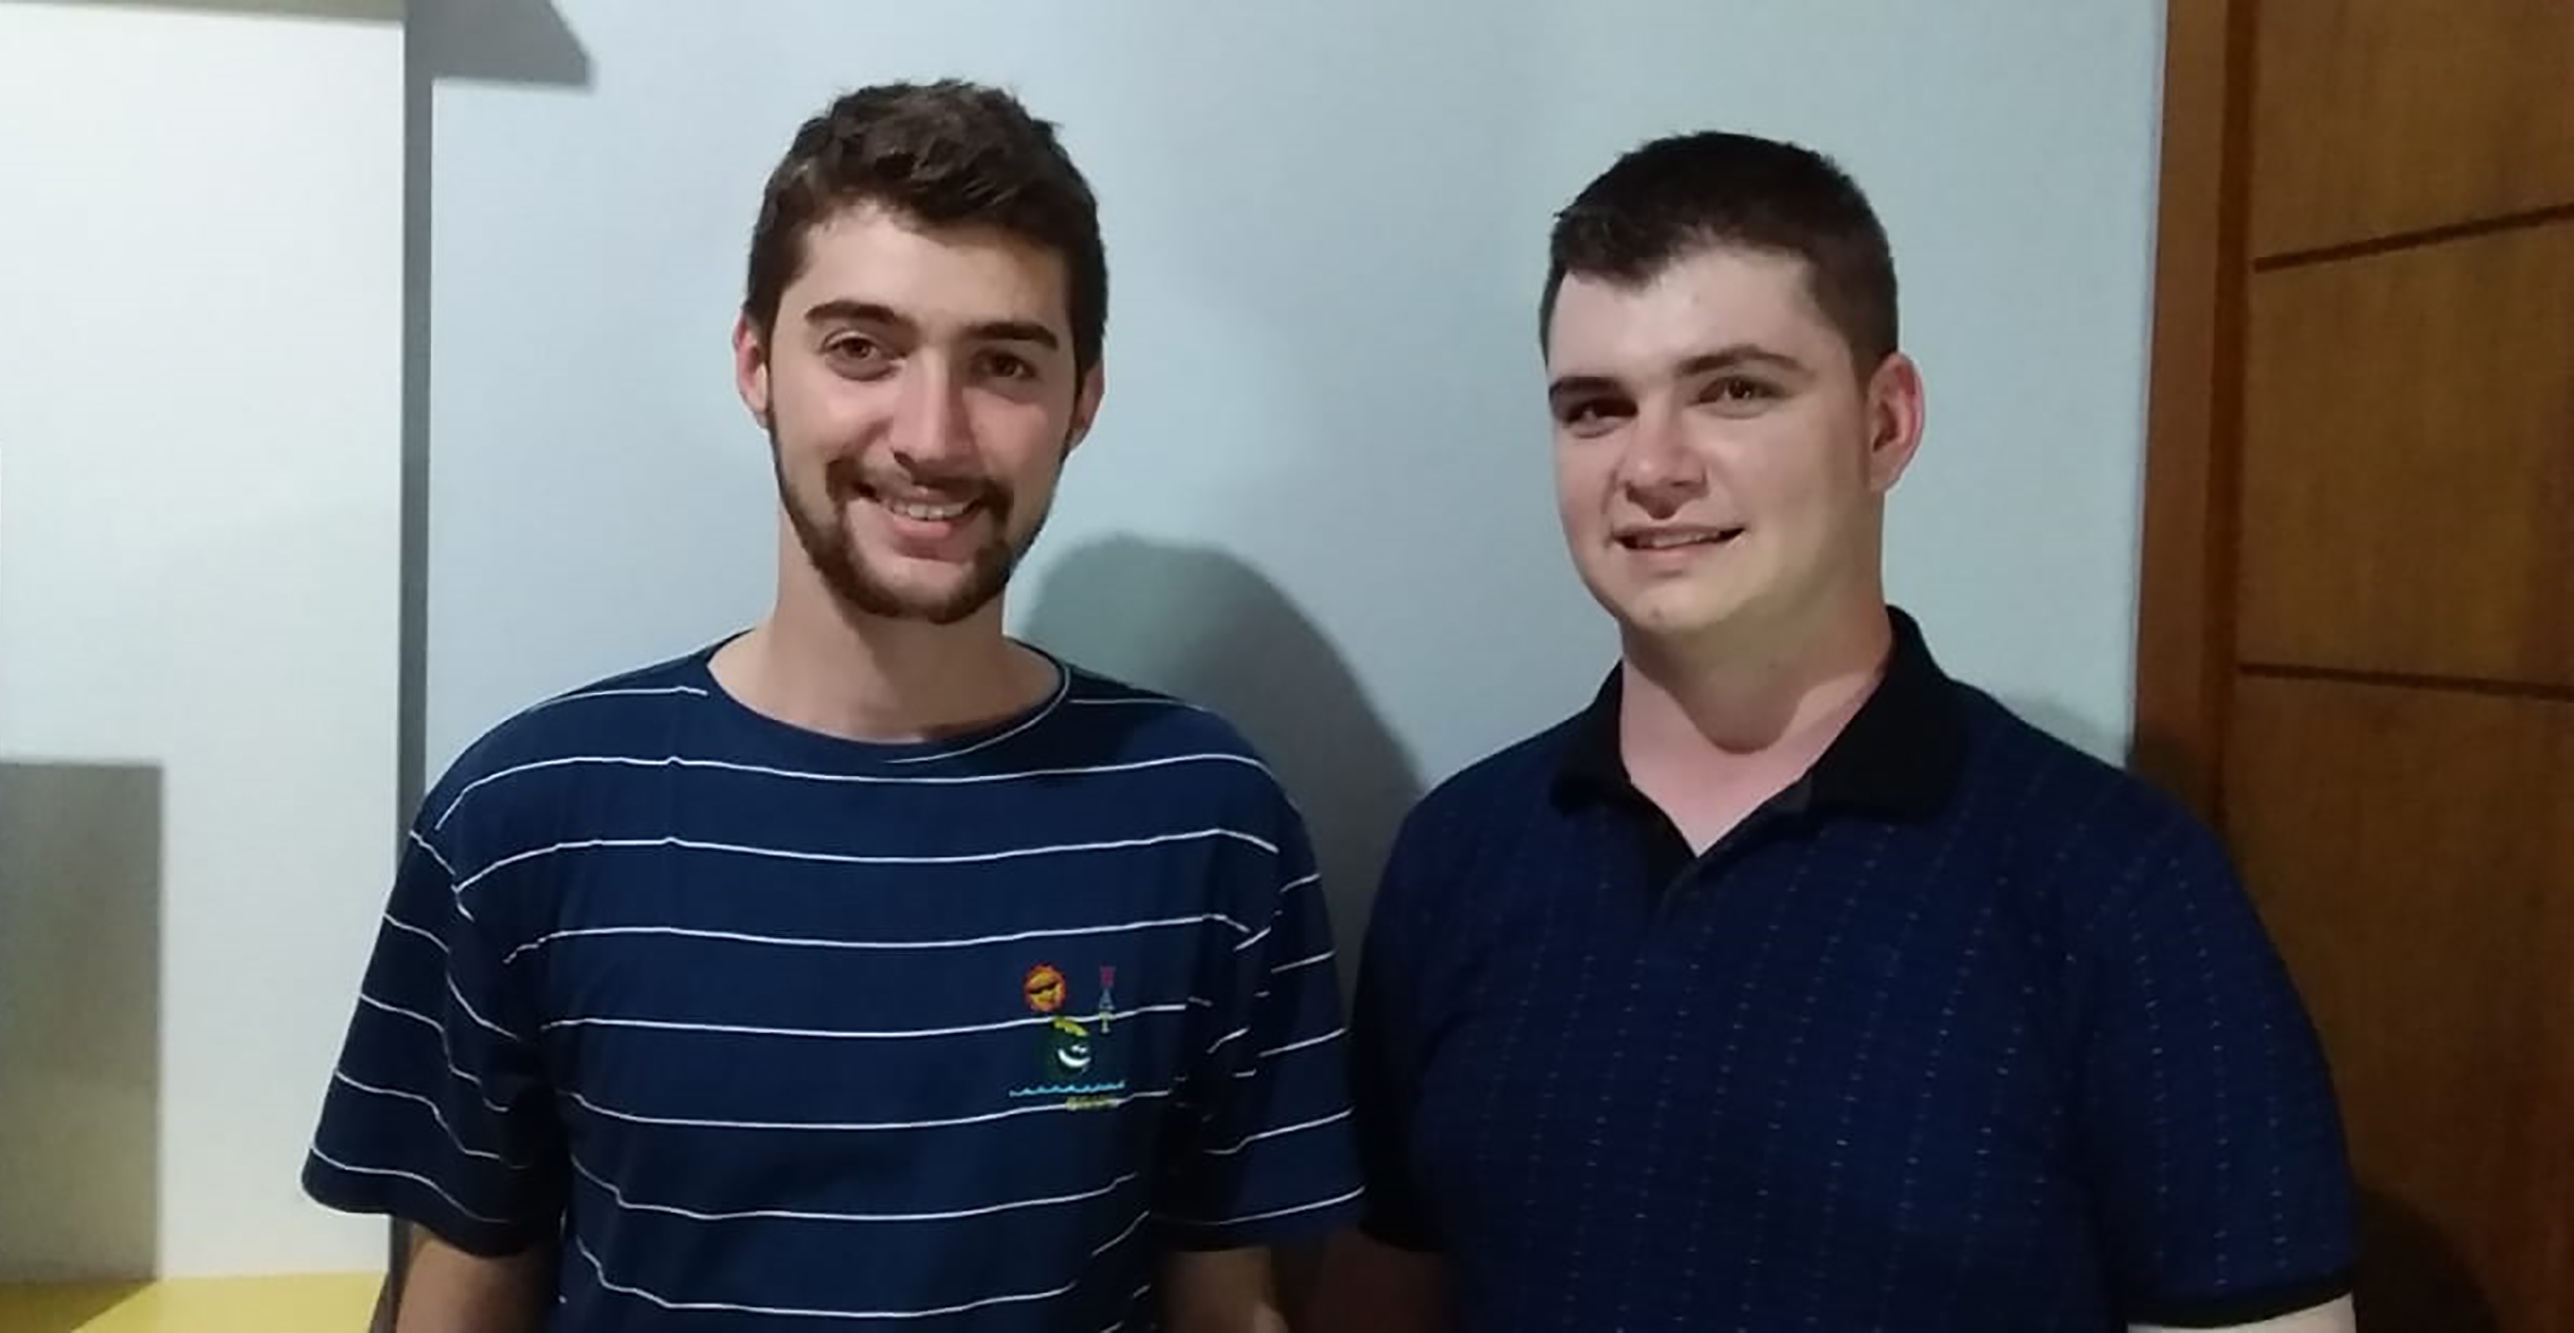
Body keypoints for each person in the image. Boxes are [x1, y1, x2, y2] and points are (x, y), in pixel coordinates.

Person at [302, 78, 1360, 1332]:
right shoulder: (525, 819)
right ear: (757, 365)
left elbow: (1228, 1304)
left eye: (1003, 363)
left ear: (1083, 398)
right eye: (862, 348)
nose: (930, 435)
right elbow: (456, 1295)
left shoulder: (1204, 819)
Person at [1314, 131, 2359, 1332]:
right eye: (1595, 408)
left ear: (1885, 422)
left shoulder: (2121, 889)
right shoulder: (1458, 856)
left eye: (1733, 390)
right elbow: (1379, 1299)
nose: (1651, 466)